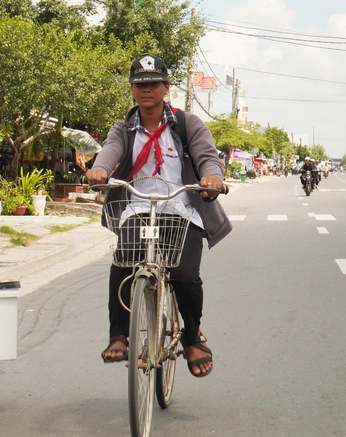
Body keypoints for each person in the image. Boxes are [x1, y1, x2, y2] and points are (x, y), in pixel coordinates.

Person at [86, 54, 232, 377]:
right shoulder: (123, 129)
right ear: (132, 90)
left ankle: (192, 338)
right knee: (122, 262)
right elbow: (110, 151)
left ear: (166, 88)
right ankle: (118, 336)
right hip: (138, 209)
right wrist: (99, 168)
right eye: (140, 84)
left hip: (181, 210)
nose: (146, 89)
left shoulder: (187, 124)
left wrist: (211, 178)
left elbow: (208, 157)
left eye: (153, 83)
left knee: (184, 276)